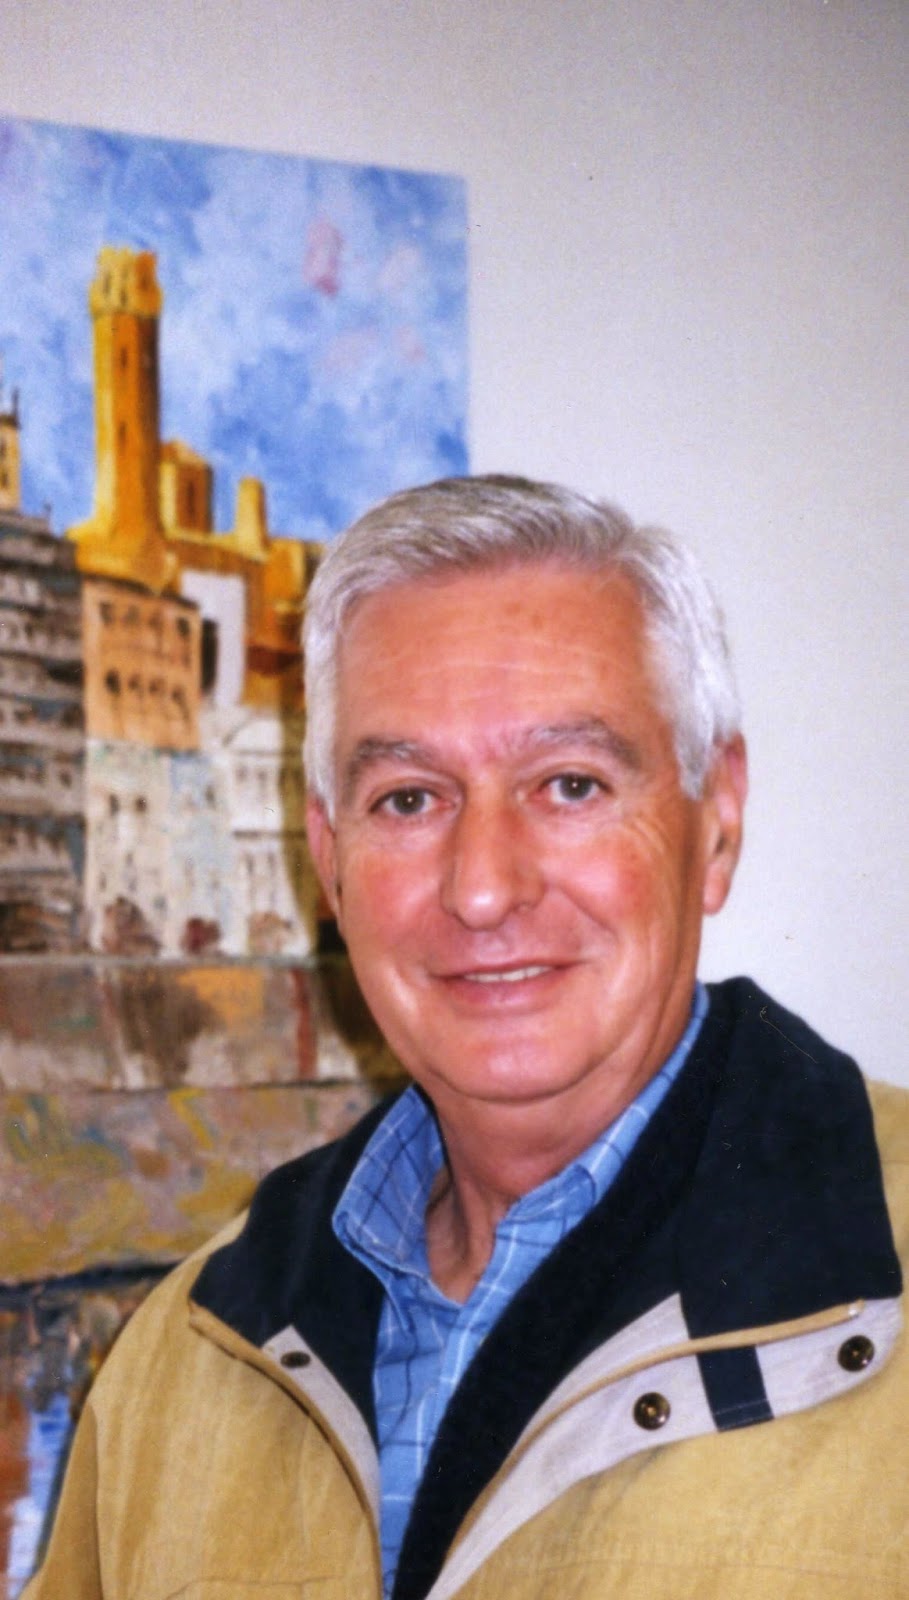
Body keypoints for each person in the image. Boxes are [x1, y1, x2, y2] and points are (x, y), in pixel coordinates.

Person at [26, 476, 907, 1599]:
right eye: (408, 799)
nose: (483, 887)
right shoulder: (187, 1355)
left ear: (717, 820)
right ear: (328, 859)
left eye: (570, 784)